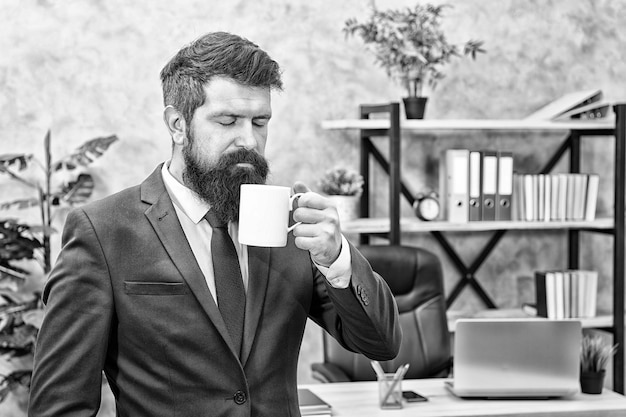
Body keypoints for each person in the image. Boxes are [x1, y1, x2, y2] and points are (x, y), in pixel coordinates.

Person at [28, 31, 401, 417]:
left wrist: (337, 258)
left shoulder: (293, 224)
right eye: (228, 121)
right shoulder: (102, 232)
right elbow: (59, 406)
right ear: (177, 124)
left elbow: (381, 344)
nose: (249, 141)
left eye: (260, 122)